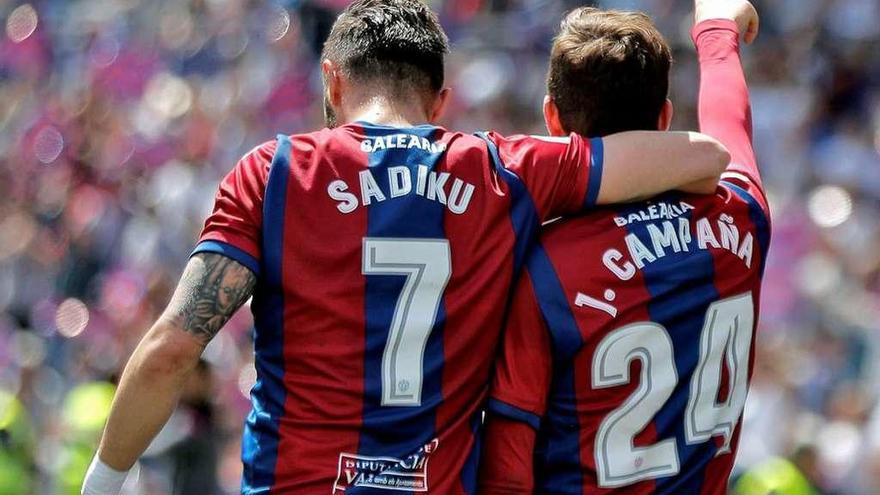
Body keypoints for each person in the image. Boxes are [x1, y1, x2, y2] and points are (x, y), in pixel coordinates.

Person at [80, 0, 730, 493]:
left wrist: (101, 482)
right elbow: (704, 158)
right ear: (441, 99)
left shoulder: (272, 174)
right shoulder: (501, 170)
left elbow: (170, 351)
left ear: (333, 84)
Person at [479, 0, 768, 493]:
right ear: (665, 117)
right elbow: (729, 123)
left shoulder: (544, 266)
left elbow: (506, 467)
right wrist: (716, 33)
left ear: (552, 119)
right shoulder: (742, 217)